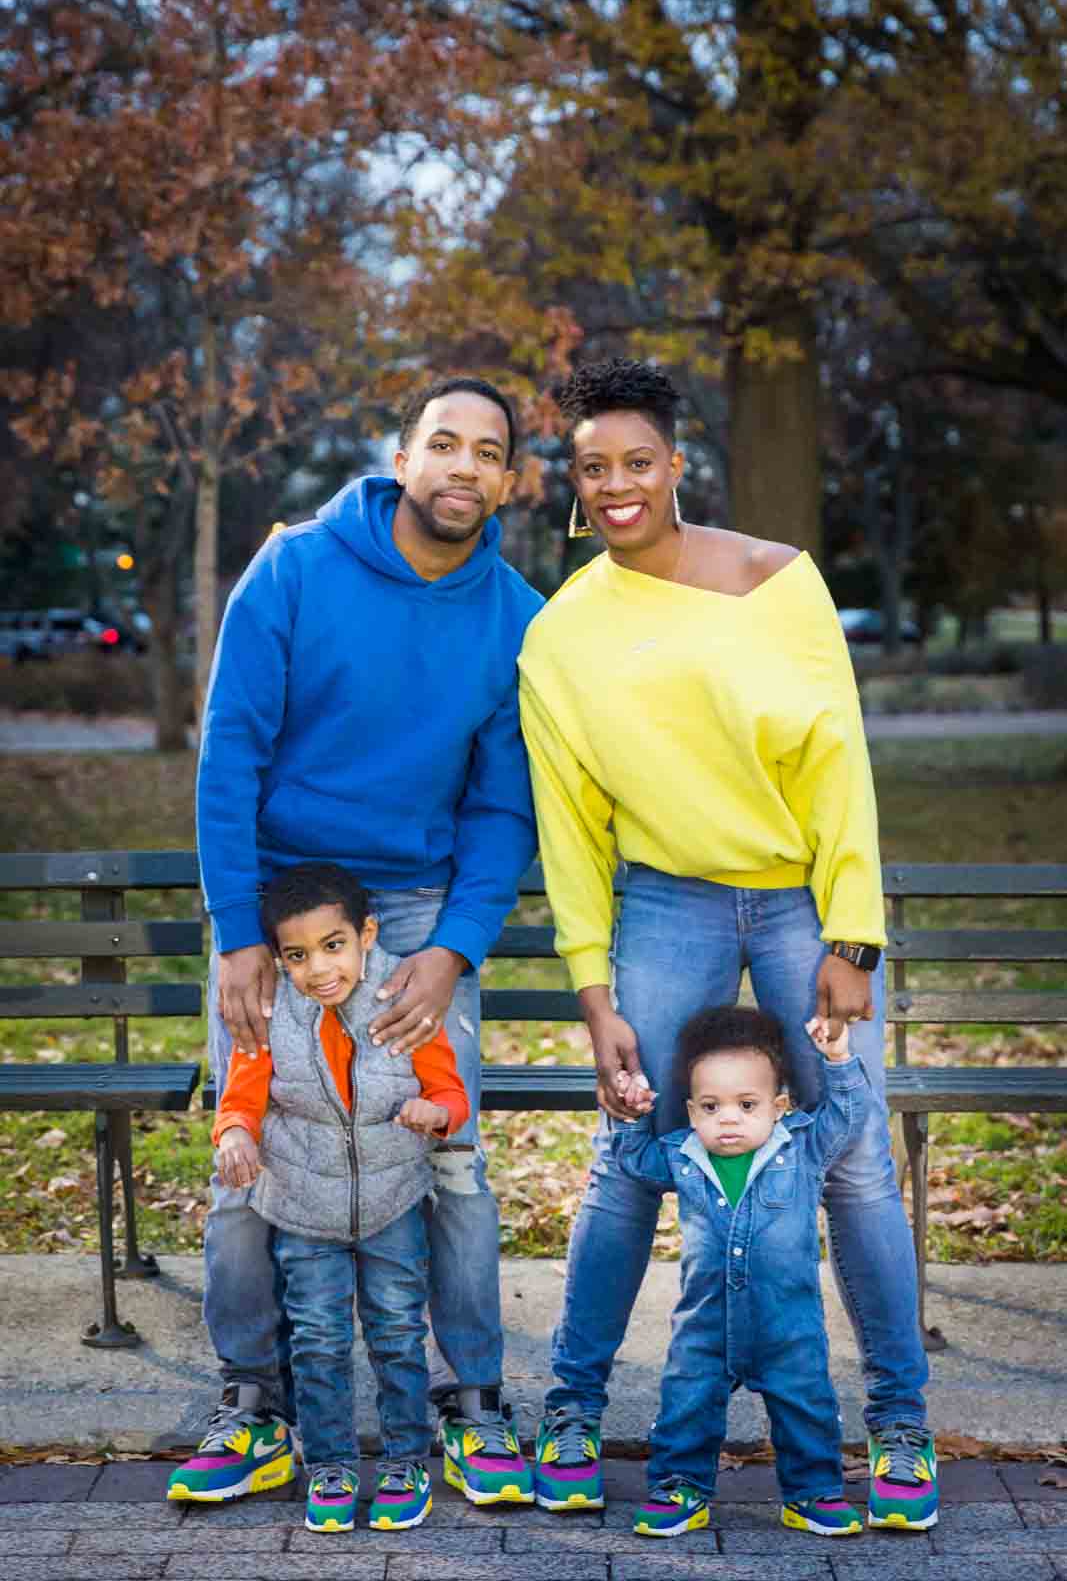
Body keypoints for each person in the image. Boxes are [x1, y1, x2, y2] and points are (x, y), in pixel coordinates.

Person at [517, 358, 936, 1530]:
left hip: (801, 896)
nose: (615, 486)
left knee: (849, 1161)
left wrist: (852, 931)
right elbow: (570, 828)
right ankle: (569, 1409)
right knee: (625, 1152)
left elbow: (836, 758)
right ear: (573, 480)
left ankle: (898, 1426)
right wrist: (594, 993)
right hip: (660, 904)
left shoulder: (779, 581)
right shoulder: (558, 637)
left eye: (635, 462)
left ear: (673, 462)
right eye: (592, 468)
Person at [176, 377, 542, 1508]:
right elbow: (229, 750)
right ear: (402, 453)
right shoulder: (293, 566)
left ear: (508, 481)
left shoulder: (517, 616)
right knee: (253, 1149)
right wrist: (241, 935)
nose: (462, 467)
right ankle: (255, 1402)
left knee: (448, 1157)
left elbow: (500, 804)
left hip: (419, 911)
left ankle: (472, 1402)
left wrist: (454, 949)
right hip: (282, 909)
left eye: (488, 452)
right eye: (444, 442)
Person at [169, 863, 470, 1533]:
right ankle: (329, 1464)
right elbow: (238, 1100)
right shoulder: (272, 1014)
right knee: (318, 1338)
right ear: (278, 959)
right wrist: (235, 1137)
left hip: (392, 1202)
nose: (318, 968)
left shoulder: (402, 1001)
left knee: (396, 1333)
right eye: (297, 955)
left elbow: (452, 1095)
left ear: (365, 934)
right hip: (301, 1206)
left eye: (333, 946)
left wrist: (434, 1113)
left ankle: (403, 1463)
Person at [616, 1005, 871, 1539]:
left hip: (788, 1321)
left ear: (778, 1107)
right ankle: (680, 1487)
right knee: (688, 1402)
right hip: (705, 1320)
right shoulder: (683, 1155)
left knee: (805, 1404)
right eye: (711, 1106)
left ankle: (811, 1491)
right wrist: (633, 1115)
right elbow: (636, 1164)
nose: (727, 1118)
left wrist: (839, 1058)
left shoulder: (800, 1149)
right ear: (690, 1111)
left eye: (746, 1104)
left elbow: (848, 1118)